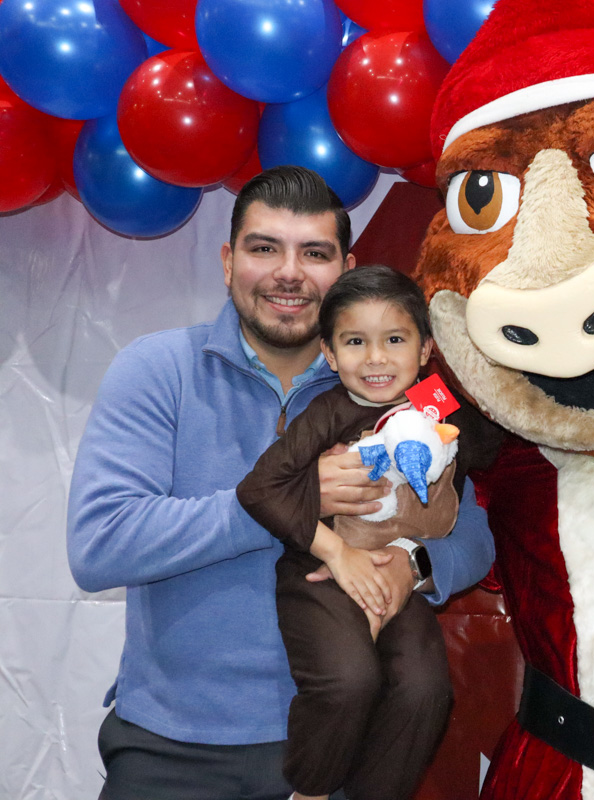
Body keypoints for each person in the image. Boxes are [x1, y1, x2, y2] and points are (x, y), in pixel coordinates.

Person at [67, 165, 496, 800]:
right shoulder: (157, 370)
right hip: (173, 747)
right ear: (227, 262)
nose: (289, 273)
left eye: (314, 253)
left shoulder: (392, 388)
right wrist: (297, 499)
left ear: (346, 270)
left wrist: (413, 564)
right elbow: (102, 545)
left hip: (339, 746)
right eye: (264, 248)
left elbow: (474, 536)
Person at [237, 264, 498, 800]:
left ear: (426, 349)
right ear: (330, 354)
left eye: (395, 340)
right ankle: (311, 790)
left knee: (425, 690)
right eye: (356, 341)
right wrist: (336, 552)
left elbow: (492, 448)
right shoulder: (327, 411)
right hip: (323, 573)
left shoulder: (439, 403)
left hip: (397, 579)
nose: (376, 358)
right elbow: (258, 490)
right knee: (348, 679)